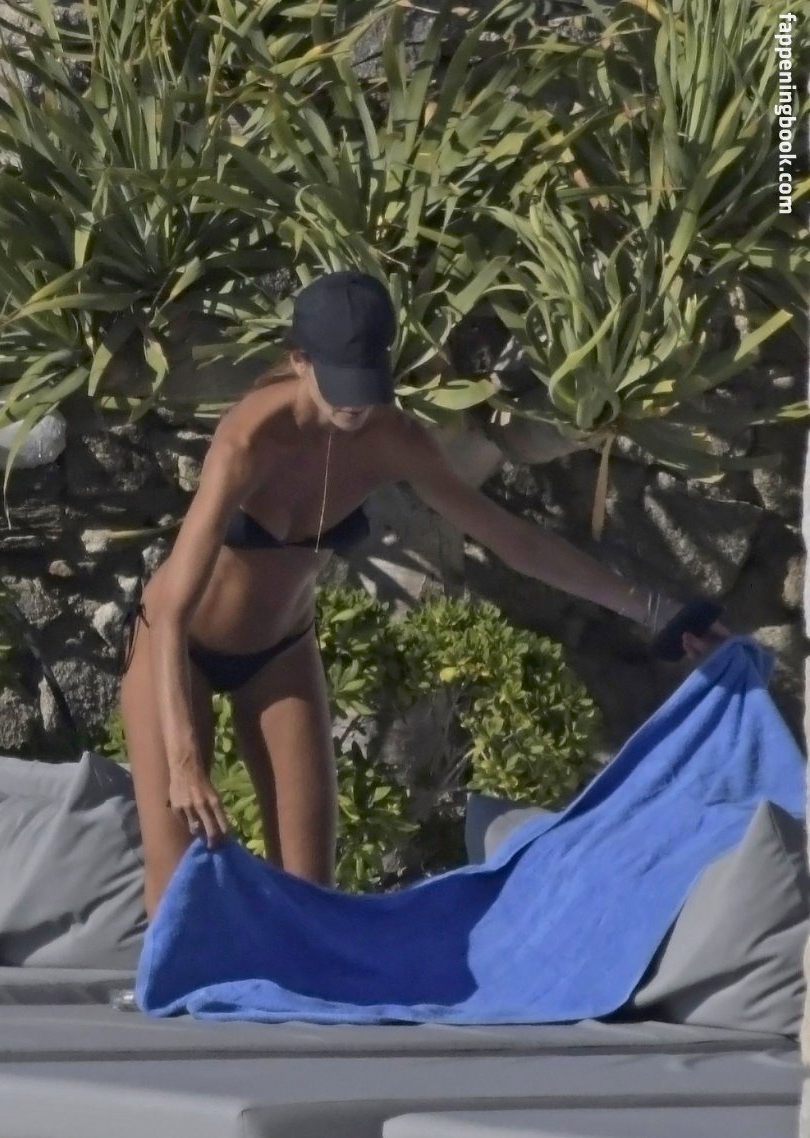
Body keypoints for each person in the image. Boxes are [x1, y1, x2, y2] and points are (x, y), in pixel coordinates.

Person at [118, 270, 728, 919]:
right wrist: (185, 760)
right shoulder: (248, 441)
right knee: (179, 890)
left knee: (313, 898)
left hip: (279, 653)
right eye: (340, 384)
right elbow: (172, 608)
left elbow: (514, 542)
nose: (356, 406)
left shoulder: (391, 437)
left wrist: (657, 611)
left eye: (367, 384)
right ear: (299, 361)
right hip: (177, 649)